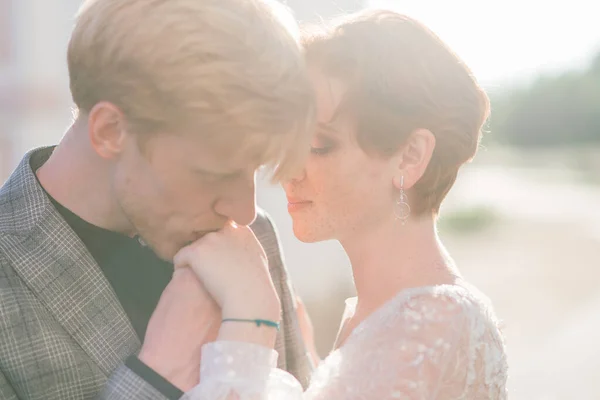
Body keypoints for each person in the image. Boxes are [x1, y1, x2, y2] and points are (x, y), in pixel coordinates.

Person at [178, 9, 508, 400]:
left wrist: (248, 312)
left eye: (319, 146)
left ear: (409, 157)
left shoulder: (432, 323)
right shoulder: (377, 314)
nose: (288, 171)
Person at [0, 0, 316, 399]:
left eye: (254, 169)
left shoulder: (253, 238)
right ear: (111, 130)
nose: (244, 210)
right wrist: (157, 377)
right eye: (214, 174)